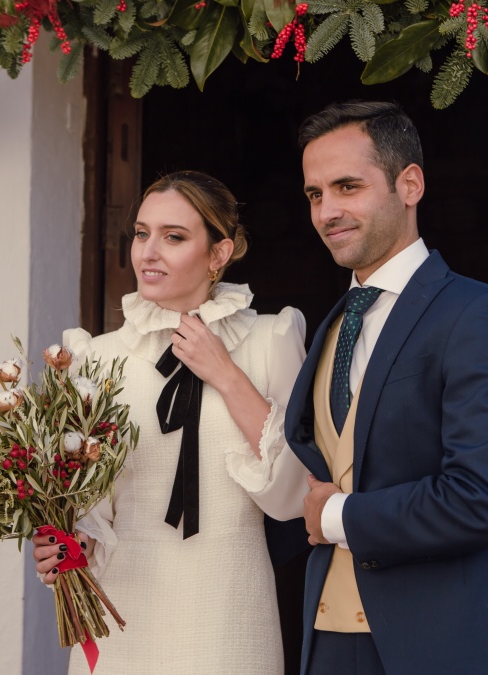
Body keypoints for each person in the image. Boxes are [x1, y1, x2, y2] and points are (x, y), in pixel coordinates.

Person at [286, 101, 488, 675]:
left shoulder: (477, 314)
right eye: (314, 194)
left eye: (347, 186)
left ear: (410, 184)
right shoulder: (332, 326)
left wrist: (338, 519)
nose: (328, 211)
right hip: (327, 639)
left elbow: (487, 498)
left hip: (439, 641)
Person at [31, 170, 310, 675]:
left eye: (173, 237)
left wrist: (225, 372)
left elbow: (293, 492)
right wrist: (70, 544)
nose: (148, 252)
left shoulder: (272, 339)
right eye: (141, 233)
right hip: (123, 613)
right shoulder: (95, 357)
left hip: (231, 611)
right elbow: (90, 507)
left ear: (219, 254)